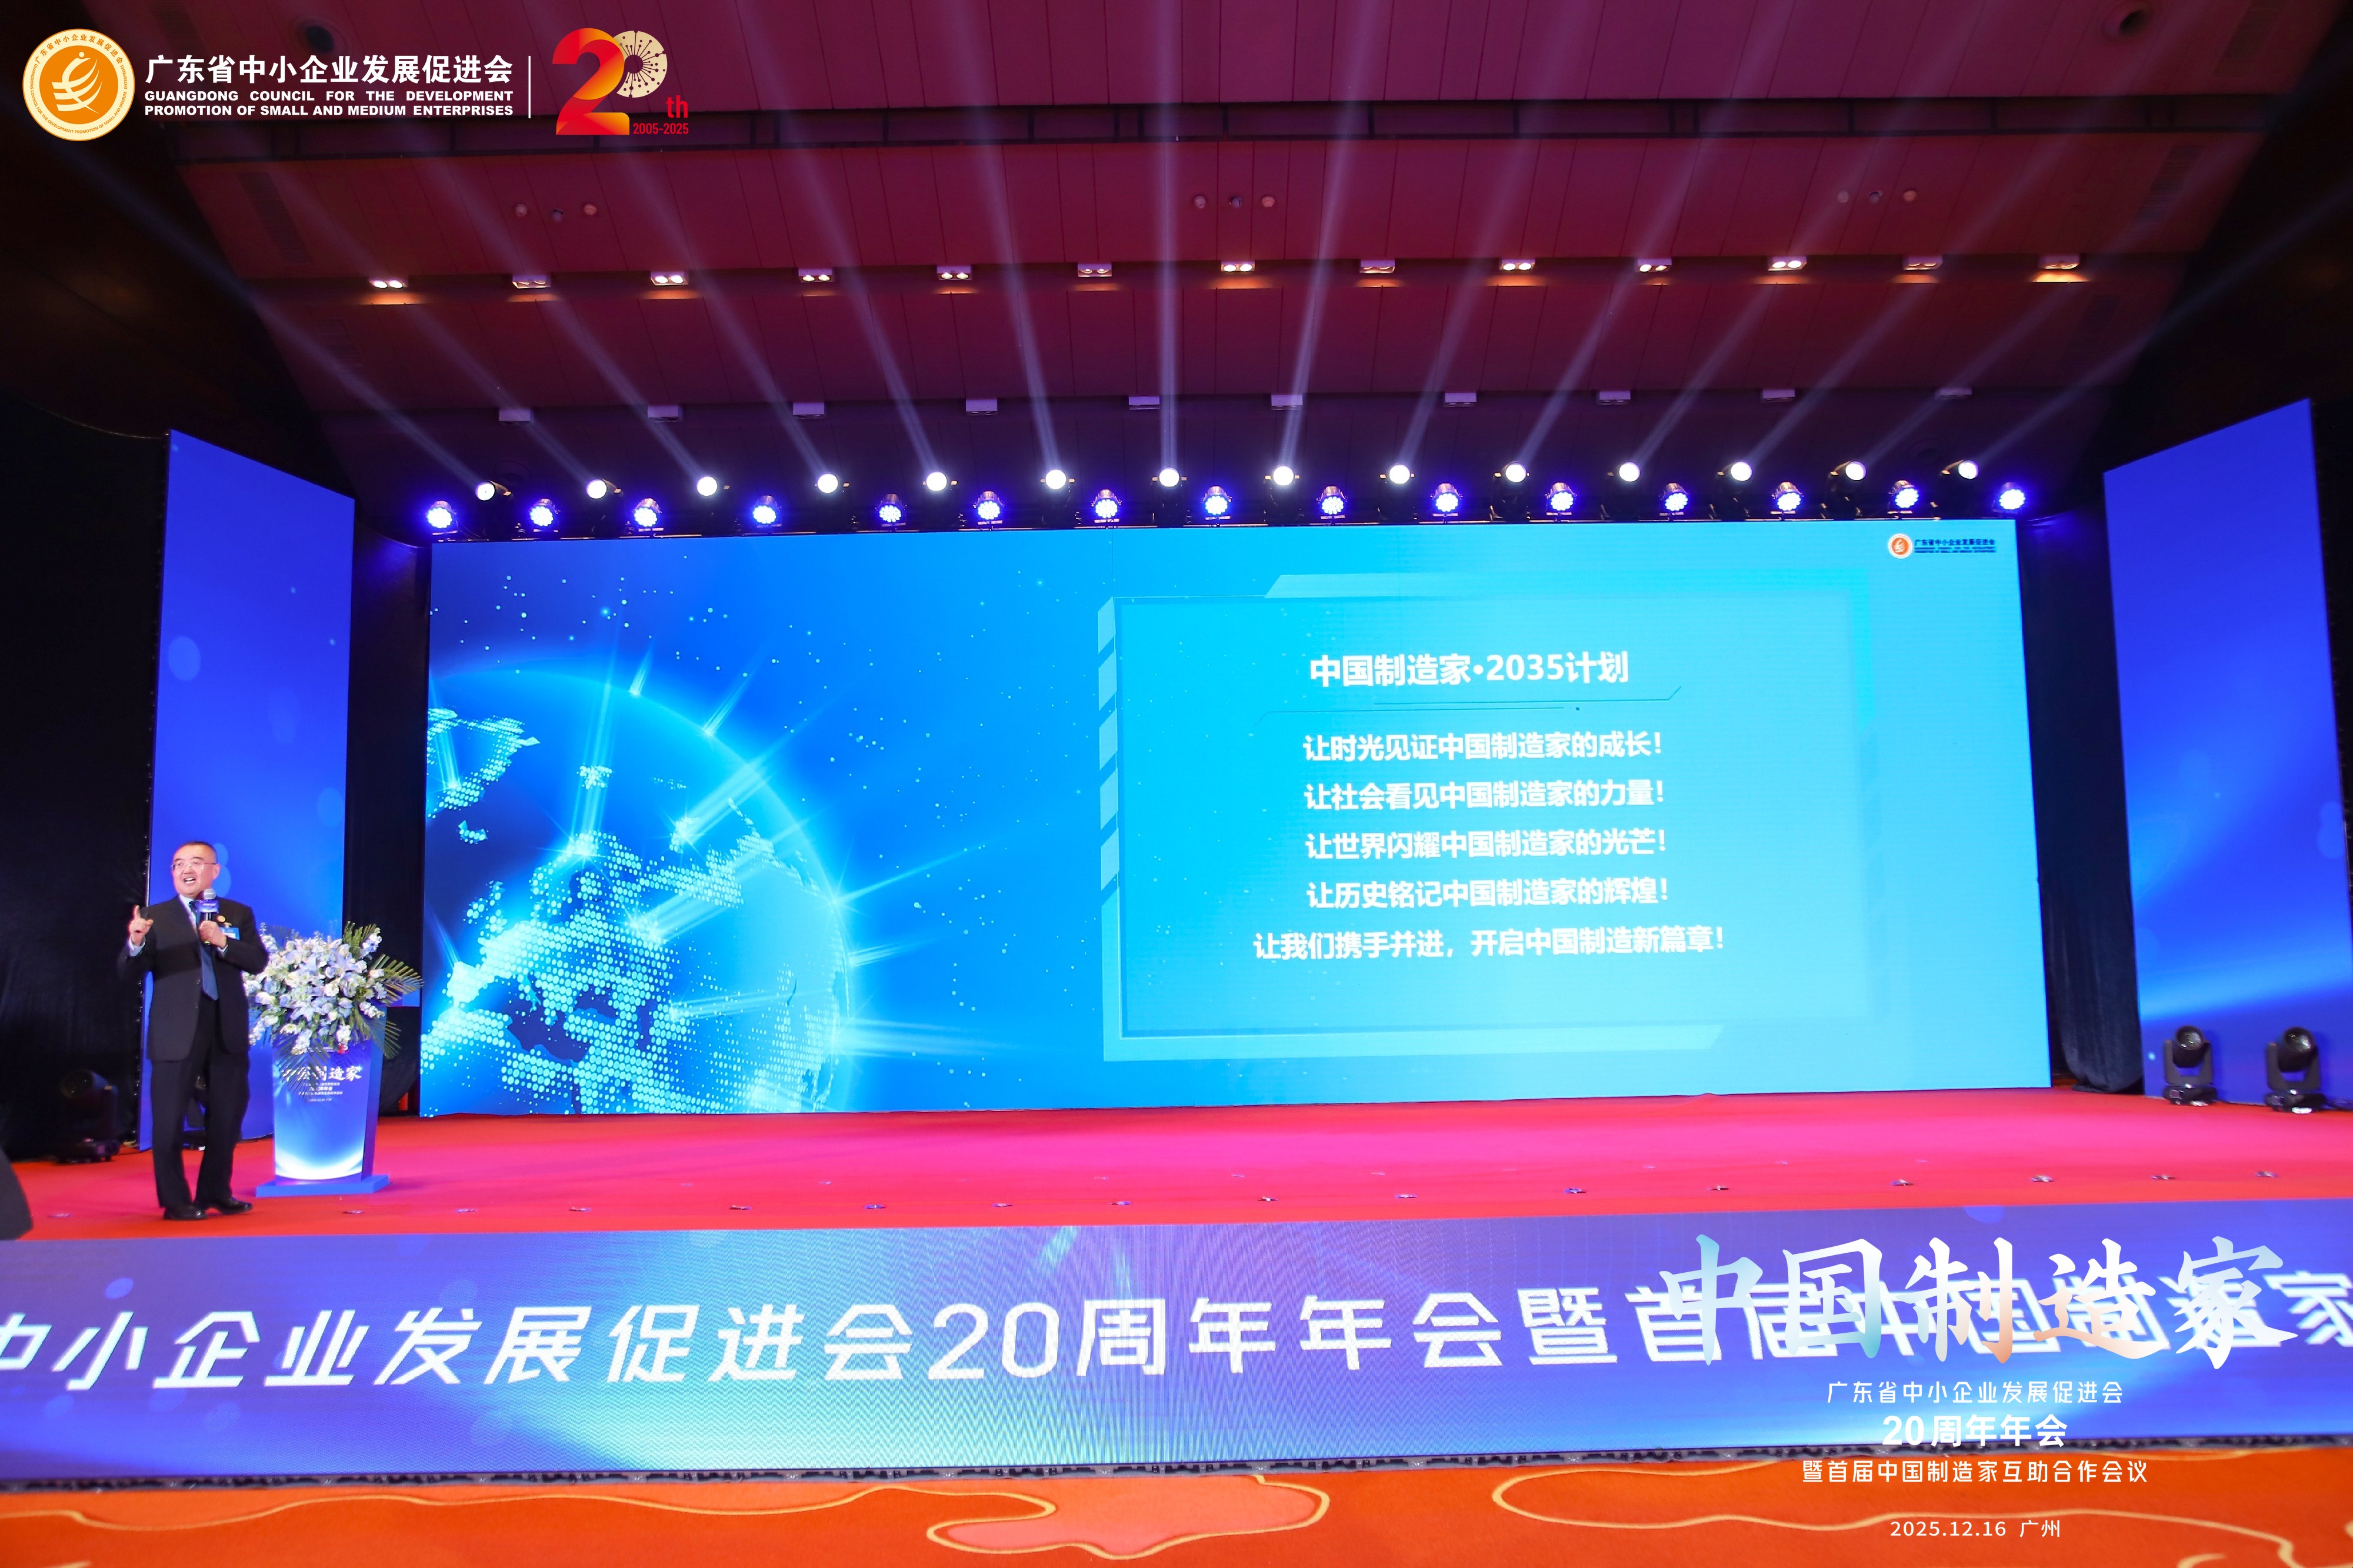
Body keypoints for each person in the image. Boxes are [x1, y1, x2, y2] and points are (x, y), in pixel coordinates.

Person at [120, 842, 265, 1220]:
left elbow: (258, 961)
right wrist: (136, 942)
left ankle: (215, 1192)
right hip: (176, 1030)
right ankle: (175, 1201)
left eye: (197, 863)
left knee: (227, 1116)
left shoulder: (237, 913)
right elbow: (128, 972)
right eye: (179, 864)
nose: (187, 870)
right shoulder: (154, 917)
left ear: (214, 871)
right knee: (168, 1120)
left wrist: (223, 941)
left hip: (225, 1026)